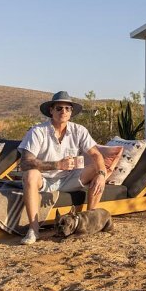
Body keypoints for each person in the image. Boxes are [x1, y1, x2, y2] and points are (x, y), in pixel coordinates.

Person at [18, 91, 108, 245]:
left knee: (97, 169)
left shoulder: (79, 130)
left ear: (71, 112)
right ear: (51, 110)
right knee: (30, 175)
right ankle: (34, 229)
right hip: (44, 180)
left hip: (69, 179)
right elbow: (25, 163)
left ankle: (89, 220)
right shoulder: (38, 131)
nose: (63, 111)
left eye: (67, 108)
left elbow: (96, 154)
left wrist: (101, 174)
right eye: (59, 108)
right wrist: (57, 165)